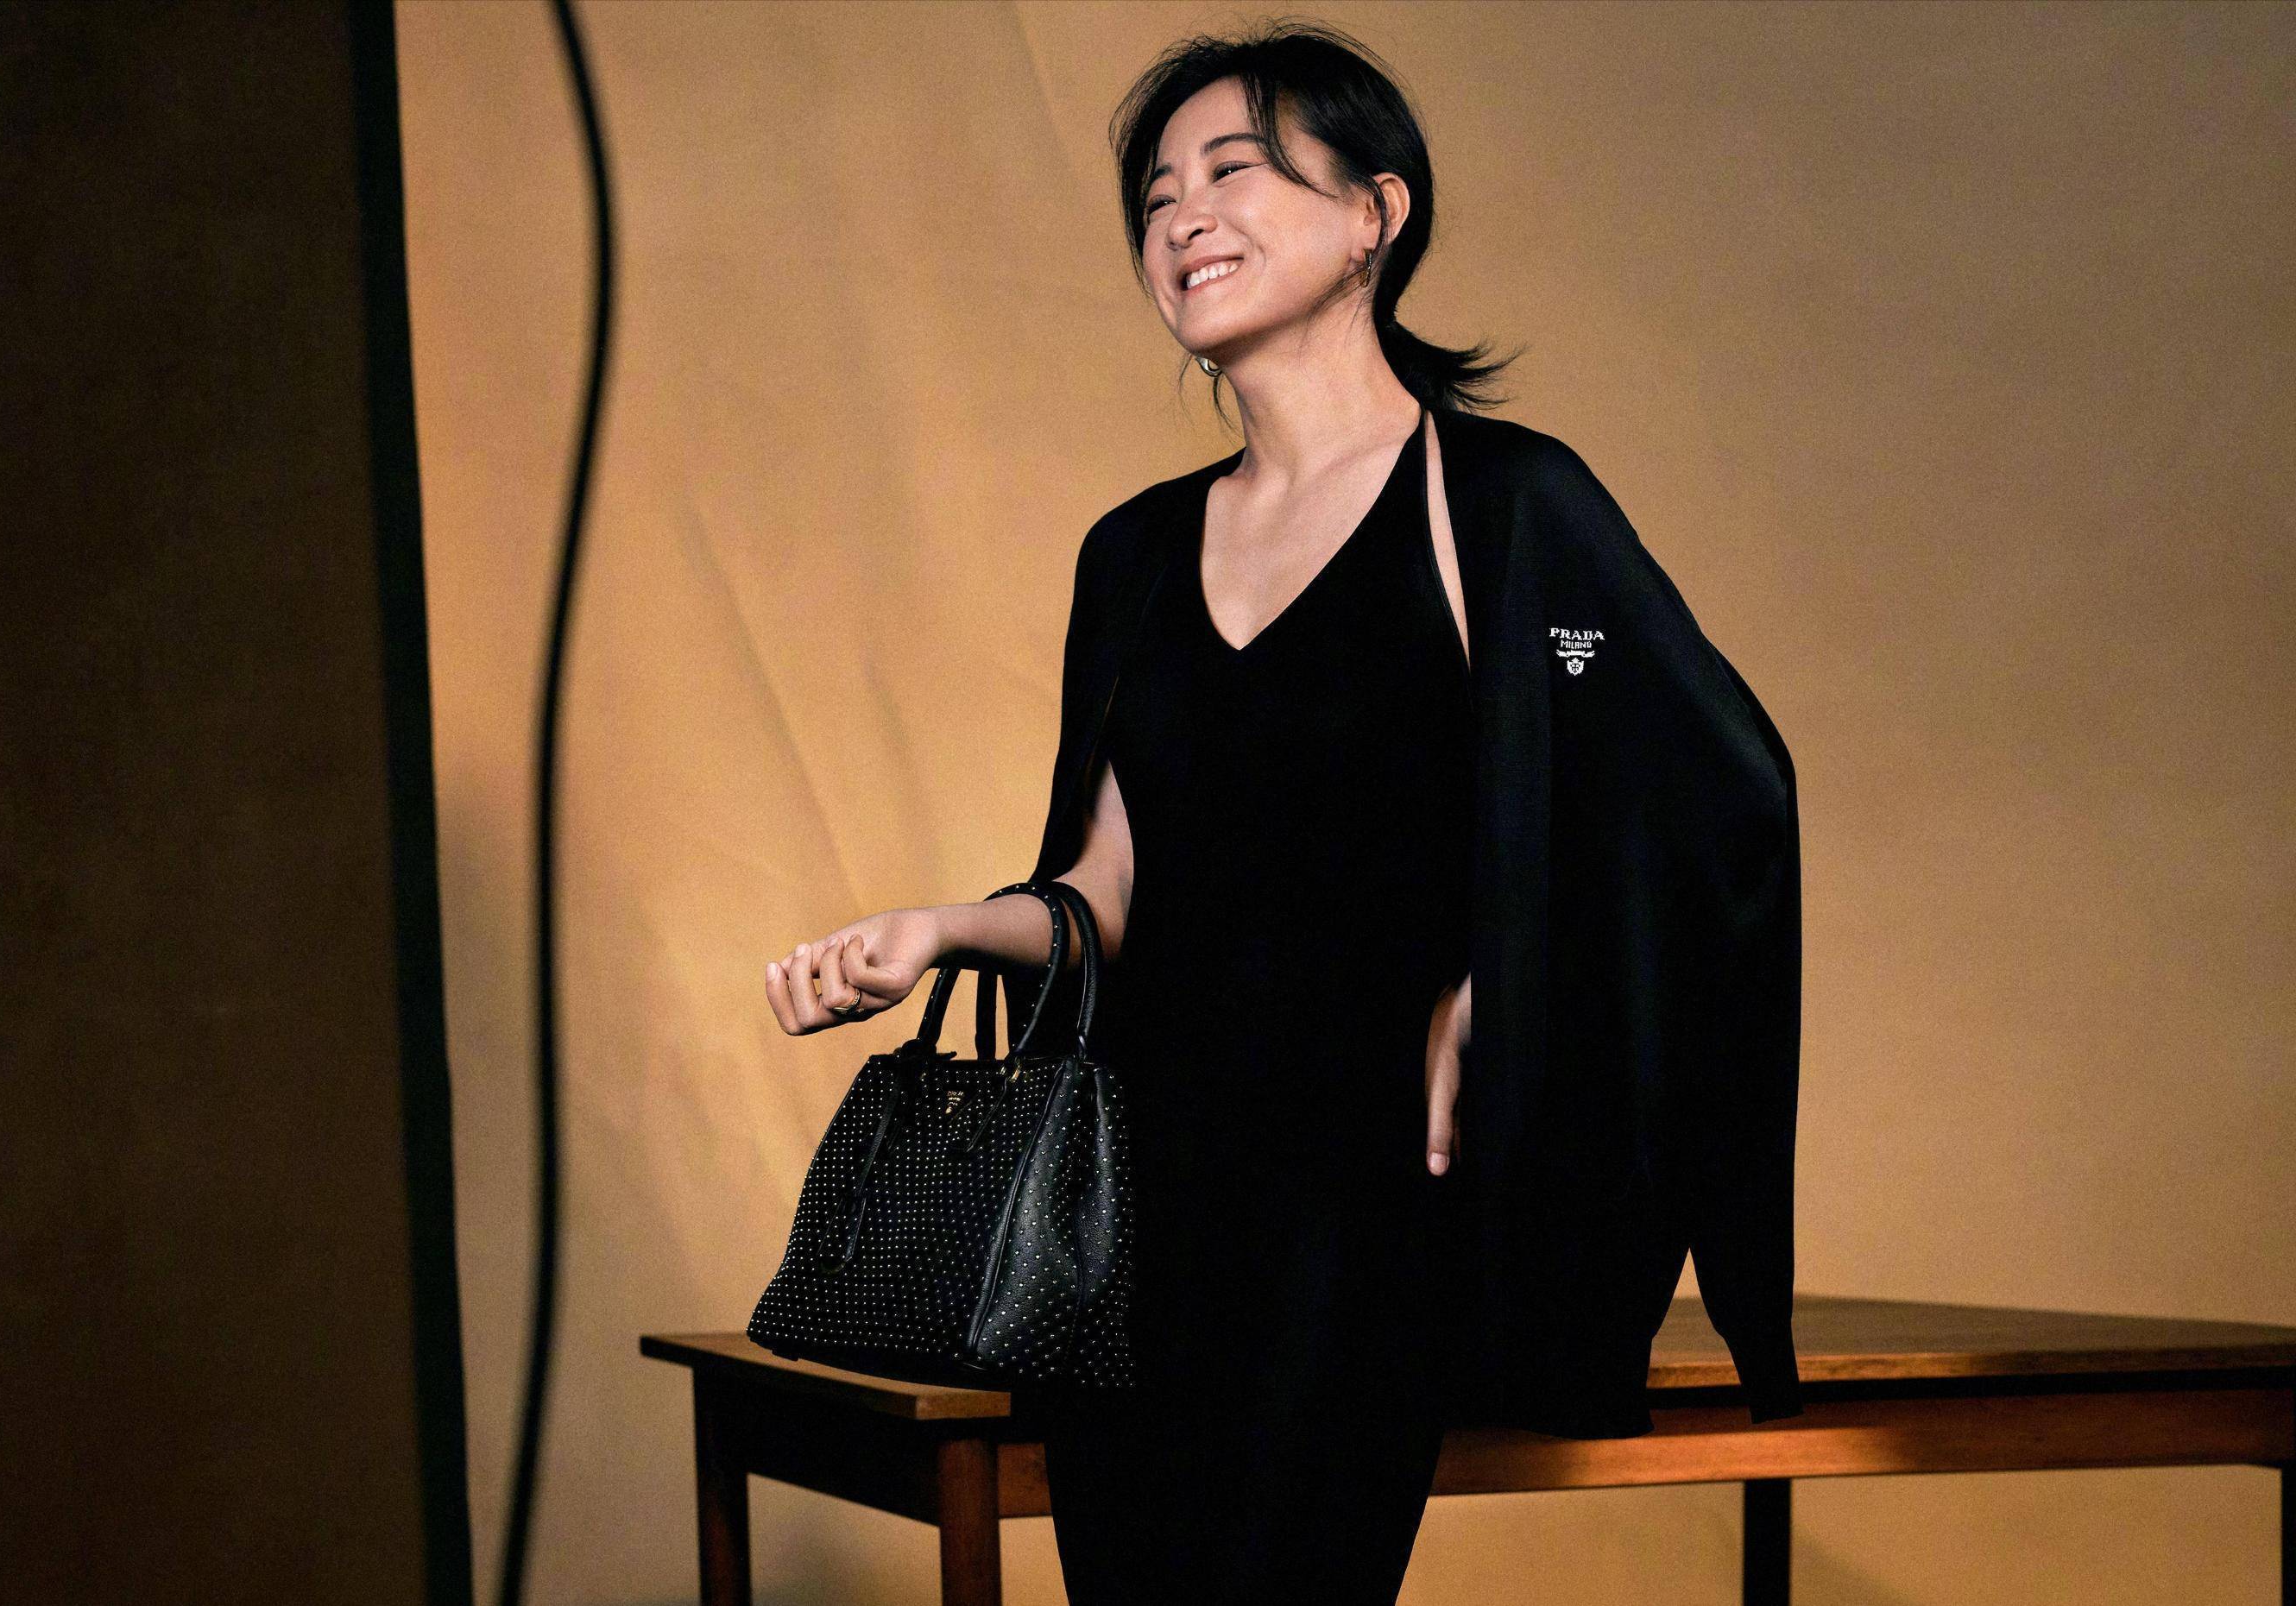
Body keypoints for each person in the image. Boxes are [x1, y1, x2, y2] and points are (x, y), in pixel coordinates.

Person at [763, 19, 1804, 1603]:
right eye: (1156, 197)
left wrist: (1501, 985)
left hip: (1367, 1189)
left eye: (1233, 171)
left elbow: (1714, 791)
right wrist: (938, 929)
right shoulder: (1131, 553)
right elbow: (1106, 887)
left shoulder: (1506, 509)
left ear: (1376, 213)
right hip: (1139, 1197)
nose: (1183, 217)